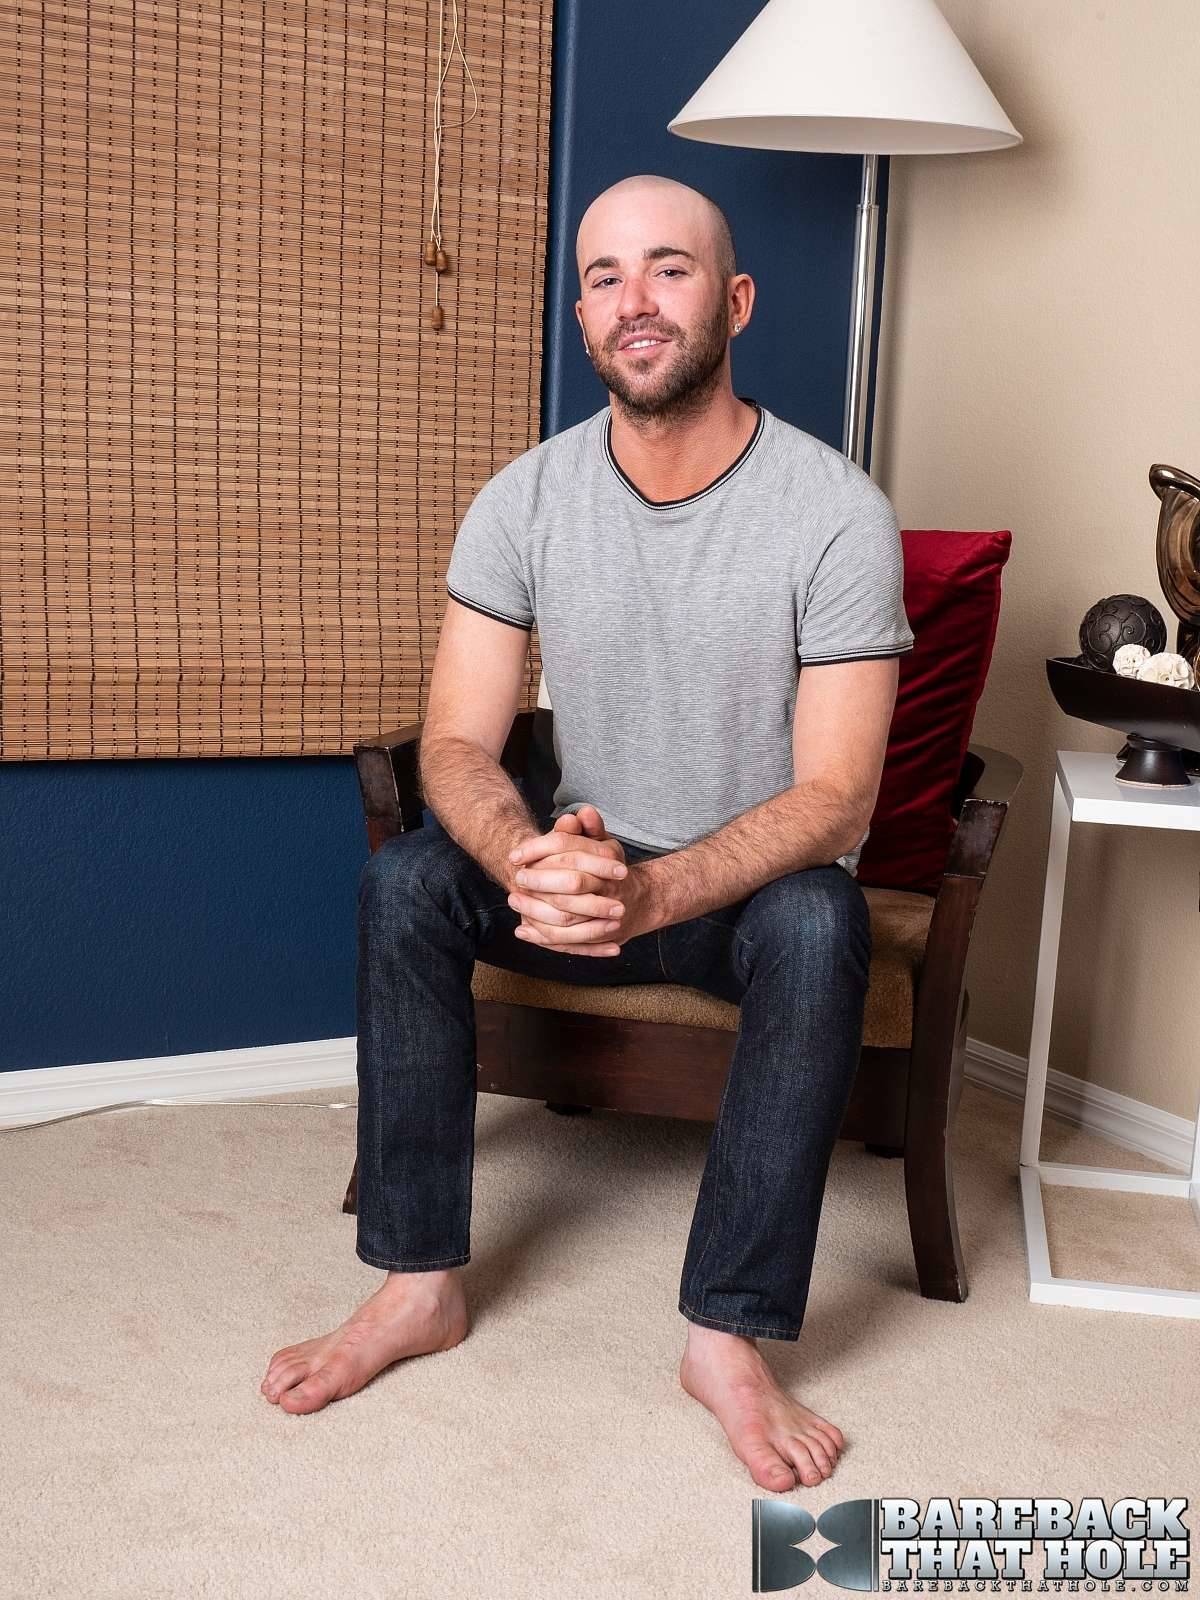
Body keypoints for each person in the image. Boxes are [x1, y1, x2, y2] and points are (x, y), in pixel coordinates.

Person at [261, 174, 915, 1494]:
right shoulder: (524, 498)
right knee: (410, 884)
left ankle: (726, 1337)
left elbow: (840, 799)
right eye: (606, 277)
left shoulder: (837, 513)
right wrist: (528, 859)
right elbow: (456, 743)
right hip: (579, 875)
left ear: (735, 300)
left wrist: (655, 894)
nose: (636, 302)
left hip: (731, 905)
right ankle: (417, 1282)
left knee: (821, 917)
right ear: (581, 316)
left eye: (670, 269)